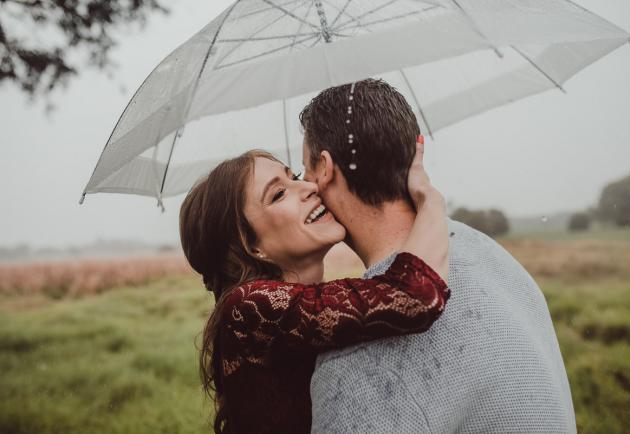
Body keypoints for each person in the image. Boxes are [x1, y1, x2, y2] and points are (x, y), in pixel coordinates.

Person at [300, 78, 576, 433]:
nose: (304, 185)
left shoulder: (358, 350)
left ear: (325, 167)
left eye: (303, 169)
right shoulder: (486, 251)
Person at [178, 145, 451, 434]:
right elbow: (414, 297)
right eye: (278, 194)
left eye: (294, 175)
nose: (308, 186)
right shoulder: (249, 305)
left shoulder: (306, 309)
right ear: (252, 246)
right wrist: (429, 199)